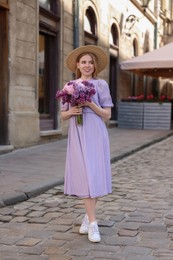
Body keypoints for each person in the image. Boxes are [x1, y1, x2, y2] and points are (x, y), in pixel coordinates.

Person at [60, 45, 114, 243]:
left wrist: (90, 103)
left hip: (96, 132)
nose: (87, 65)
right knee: (85, 175)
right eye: (84, 62)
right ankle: (91, 220)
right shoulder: (70, 86)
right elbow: (63, 115)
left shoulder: (101, 85)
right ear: (77, 65)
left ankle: (91, 222)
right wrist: (71, 112)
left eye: (91, 62)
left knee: (95, 175)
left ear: (95, 65)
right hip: (78, 133)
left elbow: (107, 115)